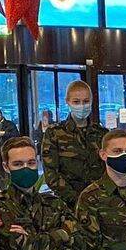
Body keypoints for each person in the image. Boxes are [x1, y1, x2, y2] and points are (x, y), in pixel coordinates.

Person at [42, 81, 108, 210]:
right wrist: (77, 200)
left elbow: (109, 169)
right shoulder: (54, 133)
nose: (82, 106)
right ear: (68, 102)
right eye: (76, 102)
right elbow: (51, 174)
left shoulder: (102, 134)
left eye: (86, 101)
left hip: (99, 203)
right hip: (68, 205)